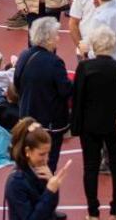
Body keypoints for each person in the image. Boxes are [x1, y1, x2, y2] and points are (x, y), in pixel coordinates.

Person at [71, 26, 116, 220]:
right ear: (112, 45)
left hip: (90, 125)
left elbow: (77, 98)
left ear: (94, 45)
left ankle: (93, 213)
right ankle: (115, 211)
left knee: (90, 167)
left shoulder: (85, 67)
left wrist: (75, 126)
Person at [13, 17, 74, 173]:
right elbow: (65, 91)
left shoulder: (24, 56)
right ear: (48, 38)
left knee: (27, 161)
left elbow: (17, 83)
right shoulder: (55, 62)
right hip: (50, 124)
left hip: (27, 118)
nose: (58, 38)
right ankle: (45, 193)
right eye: (56, 35)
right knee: (47, 164)